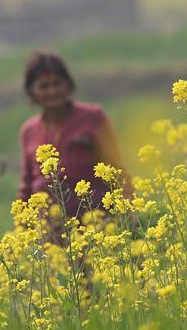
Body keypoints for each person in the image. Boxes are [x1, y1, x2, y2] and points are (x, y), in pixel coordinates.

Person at [18, 51, 131, 226]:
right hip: (50, 233)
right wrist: (21, 228)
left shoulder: (93, 117)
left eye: (57, 83)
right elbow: (26, 188)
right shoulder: (29, 131)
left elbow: (117, 170)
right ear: (32, 91)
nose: (52, 91)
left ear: (68, 84)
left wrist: (129, 213)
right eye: (44, 86)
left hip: (96, 224)